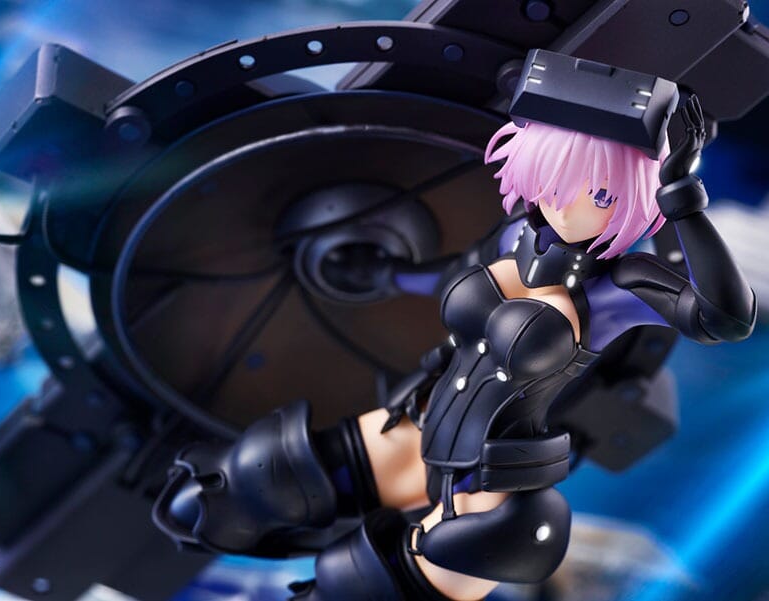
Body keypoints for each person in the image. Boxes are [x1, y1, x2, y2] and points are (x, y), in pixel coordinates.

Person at [152, 50, 756, 601]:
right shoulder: (517, 236)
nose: (568, 206)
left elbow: (725, 317)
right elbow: (452, 276)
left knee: (353, 592)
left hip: (487, 491)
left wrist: (683, 197)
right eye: (557, 181)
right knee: (237, 486)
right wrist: (386, 273)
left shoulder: (616, 289)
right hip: (416, 427)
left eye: (601, 195)